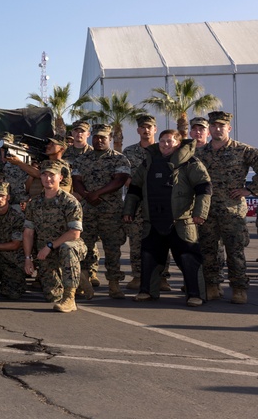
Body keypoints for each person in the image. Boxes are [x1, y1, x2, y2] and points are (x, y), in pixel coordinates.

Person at [123, 130, 209, 305]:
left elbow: (204, 188)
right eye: (162, 141)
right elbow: (134, 189)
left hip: (181, 222)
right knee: (149, 257)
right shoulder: (148, 163)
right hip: (153, 220)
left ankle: (195, 295)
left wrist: (200, 213)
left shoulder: (190, 162)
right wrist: (128, 210)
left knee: (188, 258)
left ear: (178, 143)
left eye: (169, 141)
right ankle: (147, 291)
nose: (165, 144)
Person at [196, 111, 258, 303]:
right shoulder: (200, 153)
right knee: (208, 250)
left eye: (221, 126)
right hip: (207, 211)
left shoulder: (243, 150)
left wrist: (250, 189)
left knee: (235, 251)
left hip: (232, 211)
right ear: (210, 129)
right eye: (213, 126)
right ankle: (213, 286)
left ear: (229, 128)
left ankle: (239, 289)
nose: (217, 129)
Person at [71, 124, 131, 300]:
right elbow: (77, 180)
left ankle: (114, 284)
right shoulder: (83, 159)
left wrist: (97, 193)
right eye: (96, 137)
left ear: (110, 138)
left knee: (112, 249)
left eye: (103, 137)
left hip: (111, 212)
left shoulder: (119, 159)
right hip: (88, 211)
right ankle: (85, 281)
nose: (99, 140)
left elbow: (119, 180)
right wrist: (86, 195)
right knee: (85, 248)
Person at [22, 160, 87, 313]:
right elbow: (28, 233)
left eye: (52, 175)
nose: (48, 179)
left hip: (68, 245)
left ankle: (70, 298)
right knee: (52, 296)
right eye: (44, 175)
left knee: (68, 247)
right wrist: (27, 259)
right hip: (46, 252)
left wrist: (50, 246)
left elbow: (74, 233)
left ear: (60, 177)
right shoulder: (34, 203)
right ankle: (80, 278)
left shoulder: (70, 202)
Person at [121, 115, 159, 290]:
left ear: (155, 129)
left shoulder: (163, 149)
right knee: (136, 240)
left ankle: (161, 277)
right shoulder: (129, 152)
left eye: (149, 127)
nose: (146, 130)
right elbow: (124, 174)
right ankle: (137, 276)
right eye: (143, 127)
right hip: (136, 203)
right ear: (138, 130)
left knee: (160, 240)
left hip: (159, 203)